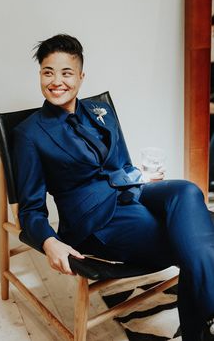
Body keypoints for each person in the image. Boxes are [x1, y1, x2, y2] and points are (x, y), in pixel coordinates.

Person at [13, 34, 214, 341]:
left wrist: (143, 178)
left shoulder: (98, 110)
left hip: (131, 192)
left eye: (66, 73)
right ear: (40, 74)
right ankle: (203, 327)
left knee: (187, 191)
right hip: (94, 218)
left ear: (81, 76)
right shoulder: (30, 134)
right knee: (194, 242)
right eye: (48, 72)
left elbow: (122, 164)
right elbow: (30, 210)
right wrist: (49, 242)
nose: (56, 81)